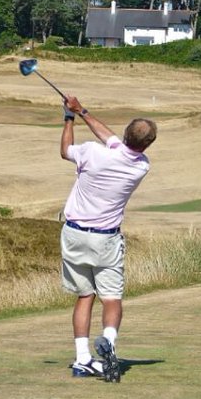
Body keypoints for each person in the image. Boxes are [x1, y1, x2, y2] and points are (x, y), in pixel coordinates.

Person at [59, 95, 156, 383]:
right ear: (147, 145)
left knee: (84, 296)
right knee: (111, 299)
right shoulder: (141, 166)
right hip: (106, 240)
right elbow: (110, 139)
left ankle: (81, 360)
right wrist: (83, 111)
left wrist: (69, 118)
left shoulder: (91, 152)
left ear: (124, 135)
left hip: (74, 234)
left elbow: (66, 151)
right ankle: (109, 344)